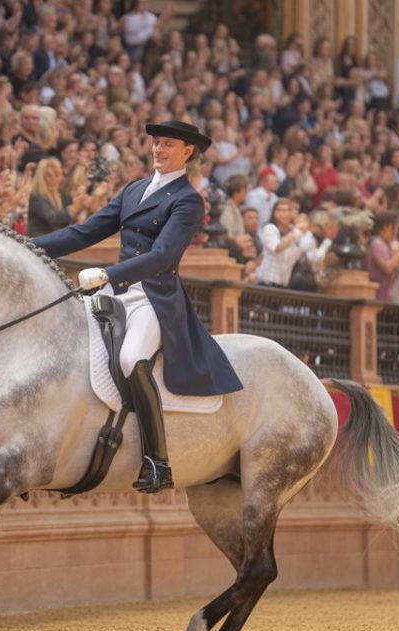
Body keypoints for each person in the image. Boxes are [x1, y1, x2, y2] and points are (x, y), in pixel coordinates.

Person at [33, 120, 243, 494]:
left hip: (153, 296)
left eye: (167, 145)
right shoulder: (135, 190)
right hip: (114, 292)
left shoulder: (189, 200)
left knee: (131, 358)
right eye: (156, 144)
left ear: (187, 152)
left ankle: (157, 462)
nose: (158, 150)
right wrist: (28, 245)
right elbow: (84, 231)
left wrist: (108, 275)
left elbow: (162, 256)